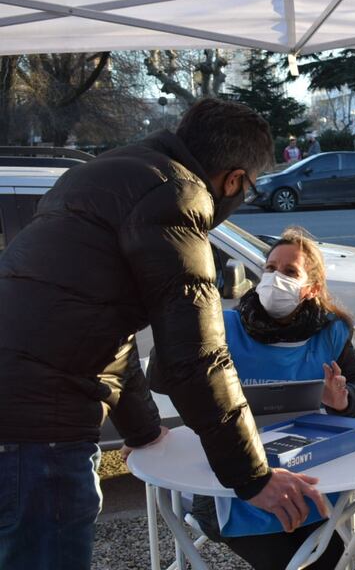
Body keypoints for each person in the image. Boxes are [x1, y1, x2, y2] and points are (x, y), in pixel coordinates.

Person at [0, 98, 327, 569]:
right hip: (39, 430)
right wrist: (253, 478)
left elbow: (107, 327)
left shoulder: (103, 172)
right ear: (233, 180)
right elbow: (196, 358)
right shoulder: (177, 196)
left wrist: (144, 429)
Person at [191, 227, 355, 570]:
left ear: (312, 289)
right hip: (231, 484)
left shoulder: (329, 332)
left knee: (327, 560)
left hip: (307, 475)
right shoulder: (224, 326)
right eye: (270, 268)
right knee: (297, 562)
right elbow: (175, 382)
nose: (275, 278)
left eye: (290, 272)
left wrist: (343, 399)